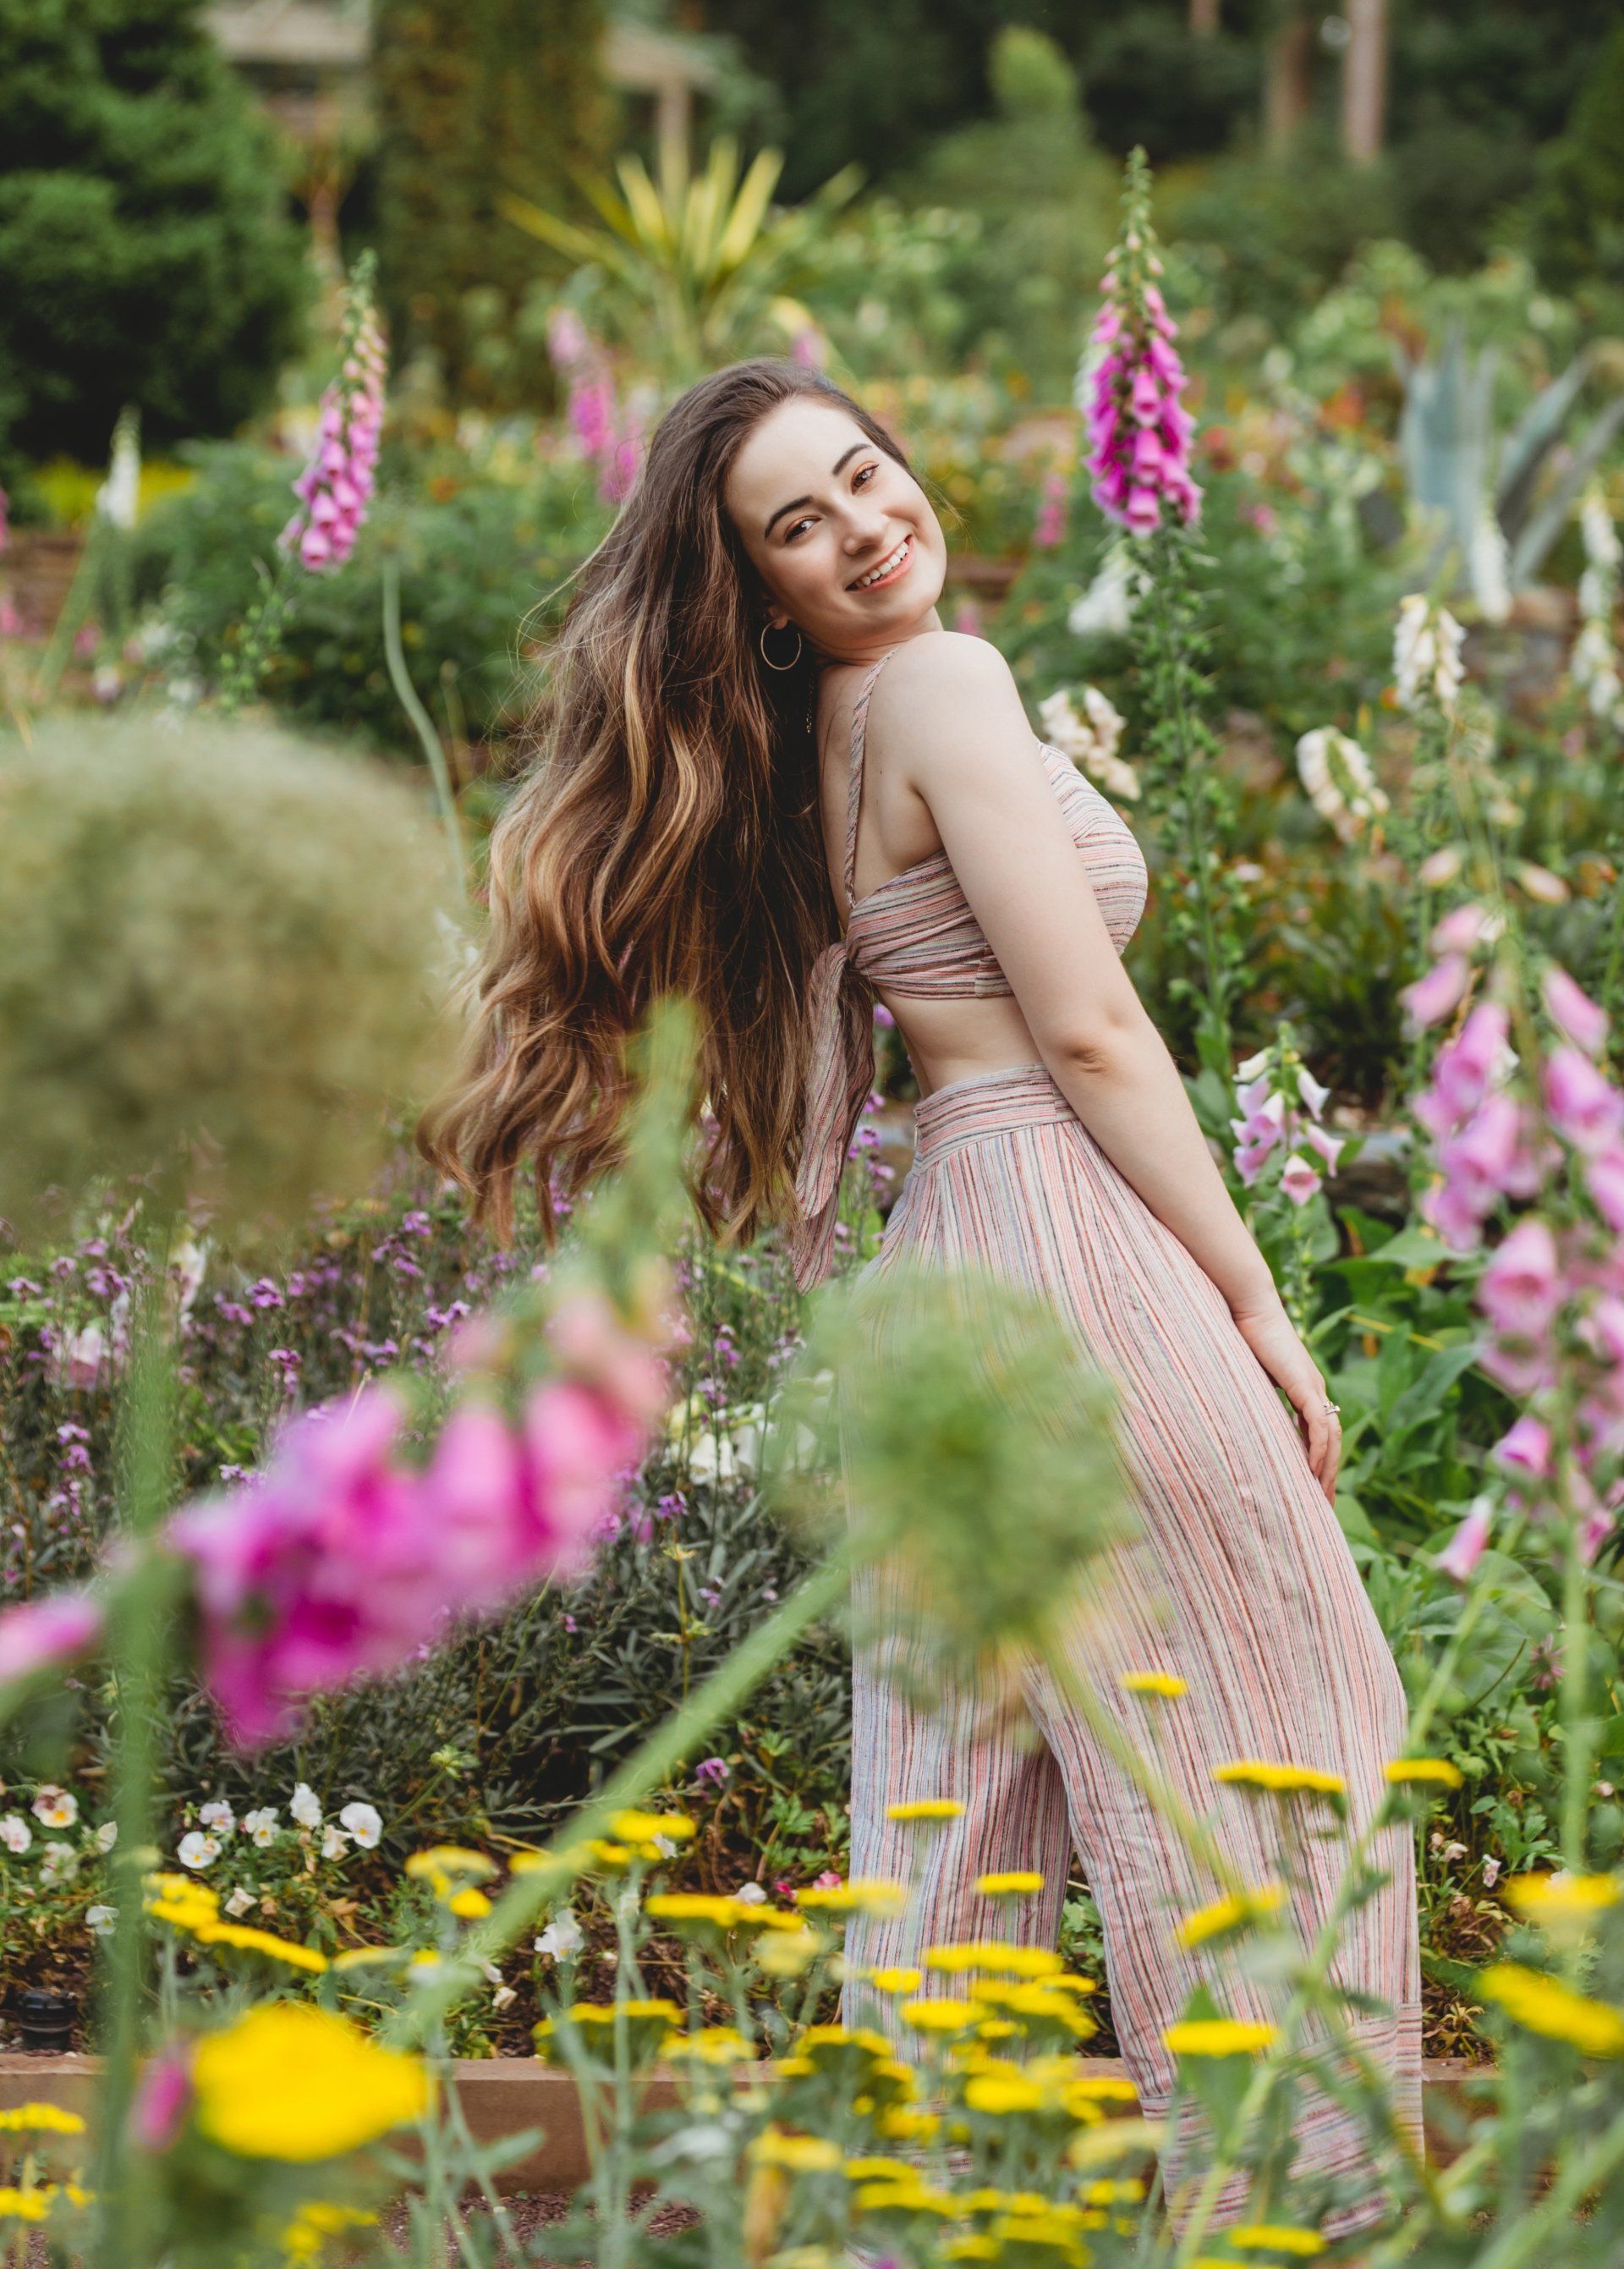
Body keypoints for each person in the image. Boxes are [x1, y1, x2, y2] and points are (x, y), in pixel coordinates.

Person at [420, 358, 1422, 2231]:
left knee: (963, 1806)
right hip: (1068, 1233)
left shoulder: (821, 738)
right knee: (1277, 1714)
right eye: (800, 527)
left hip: (954, 1259)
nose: (867, 531)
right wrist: (1257, 1303)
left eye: (867, 476)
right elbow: (1090, 1028)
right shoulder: (944, 685)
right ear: (762, 594)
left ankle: (902, 2209)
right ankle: (1294, 2208)